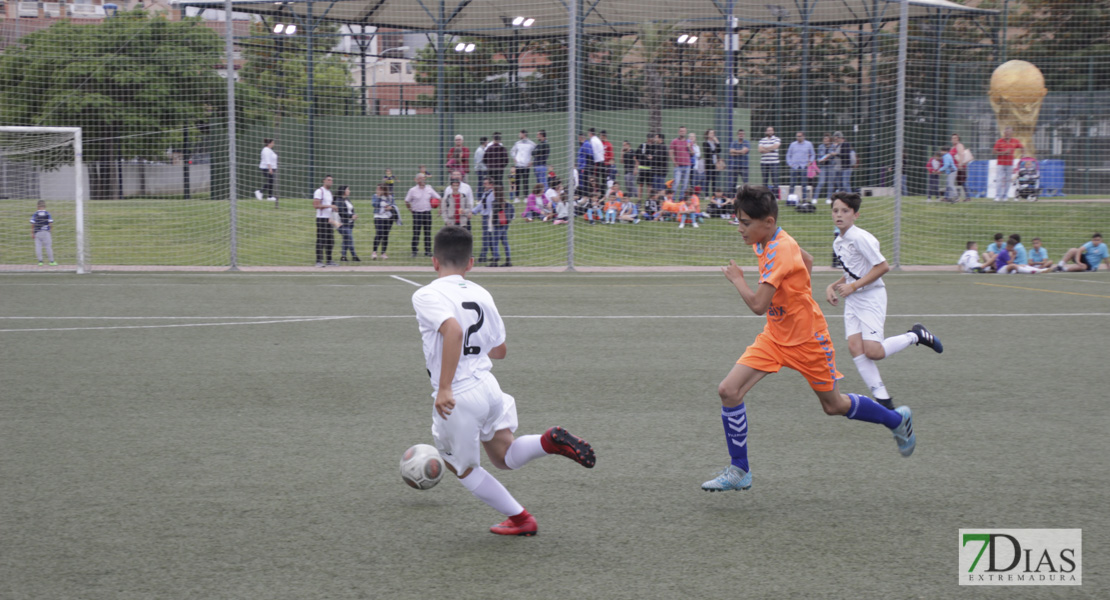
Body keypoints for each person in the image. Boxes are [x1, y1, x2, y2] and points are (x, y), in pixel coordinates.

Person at [701, 185, 918, 493]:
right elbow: (810, 260)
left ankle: (895, 420)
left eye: (745, 223)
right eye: (739, 221)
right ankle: (740, 469)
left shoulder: (779, 249)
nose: (740, 229)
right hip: (775, 336)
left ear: (768, 223)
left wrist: (738, 280)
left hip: (808, 340)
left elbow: (758, 305)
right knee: (729, 390)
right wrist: (797, 287)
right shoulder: (768, 237)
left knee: (834, 405)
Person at [410, 225, 595, 536]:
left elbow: (453, 331)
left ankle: (522, 519)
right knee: (504, 457)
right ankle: (547, 441)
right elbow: (500, 350)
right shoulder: (482, 293)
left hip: (460, 395)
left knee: (463, 468)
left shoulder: (426, 293)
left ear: (434, 261)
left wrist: (444, 388)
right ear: (470, 263)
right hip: (489, 387)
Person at [825, 191, 944, 411]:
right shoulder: (839, 242)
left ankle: (915, 335)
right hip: (854, 298)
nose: (839, 215)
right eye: (835, 210)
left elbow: (882, 267)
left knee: (874, 352)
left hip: (871, 296)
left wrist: (852, 287)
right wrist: (833, 285)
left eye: (845, 211)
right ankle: (884, 400)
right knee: (854, 347)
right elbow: (854, 272)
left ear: (856, 215)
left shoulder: (860, 238)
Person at [405, 174, 441, 258]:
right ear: (416, 180)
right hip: (417, 213)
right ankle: (414, 251)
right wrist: (411, 210)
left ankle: (427, 251)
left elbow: (439, 198)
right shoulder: (412, 190)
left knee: (427, 233)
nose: (422, 180)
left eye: (423, 178)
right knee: (416, 233)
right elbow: (406, 201)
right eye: (420, 178)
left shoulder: (429, 189)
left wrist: (440, 209)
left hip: (427, 213)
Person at [992, 127, 1024, 202]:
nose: (1008, 134)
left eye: (1009, 132)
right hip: (1000, 163)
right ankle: (997, 196)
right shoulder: (999, 141)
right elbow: (994, 151)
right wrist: (1003, 152)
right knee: (999, 179)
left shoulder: (1015, 141)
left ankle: (1005, 195)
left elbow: (1022, 147)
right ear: (1004, 133)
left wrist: (1023, 154)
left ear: (1011, 133)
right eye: (1006, 132)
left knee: (1008, 180)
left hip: (1010, 163)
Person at [312, 175, 336, 267]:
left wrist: (333, 209)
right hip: (321, 219)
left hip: (329, 219)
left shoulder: (329, 192)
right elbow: (316, 205)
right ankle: (318, 261)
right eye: (328, 180)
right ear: (324, 181)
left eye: (331, 180)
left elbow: (329, 206)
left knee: (330, 240)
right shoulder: (319, 191)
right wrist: (330, 206)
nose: (330, 182)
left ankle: (329, 260)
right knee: (321, 240)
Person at [786, 131, 816, 203]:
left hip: (803, 166)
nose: (798, 138)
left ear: (803, 136)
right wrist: (790, 164)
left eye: (799, 136)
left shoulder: (808, 144)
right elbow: (788, 155)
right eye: (797, 136)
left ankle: (804, 199)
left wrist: (810, 162)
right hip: (794, 167)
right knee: (792, 183)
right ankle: (790, 198)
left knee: (804, 184)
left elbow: (813, 154)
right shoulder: (792, 144)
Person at [489, 186, 514, 267]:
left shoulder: (495, 202)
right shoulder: (505, 203)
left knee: (495, 243)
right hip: (505, 224)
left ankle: (495, 260)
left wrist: (493, 222)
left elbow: (494, 214)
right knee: (505, 242)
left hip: (498, 224)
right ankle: (508, 260)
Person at [335, 185, 359, 262]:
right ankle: (354, 256)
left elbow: (351, 209)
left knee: (346, 239)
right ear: (343, 191)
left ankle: (343, 256)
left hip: (350, 223)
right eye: (348, 189)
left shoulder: (347, 199)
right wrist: (351, 215)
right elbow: (341, 212)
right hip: (342, 224)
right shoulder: (339, 200)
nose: (349, 191)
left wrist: (354, 215)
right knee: (349, 238)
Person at [474, 178, 496, 263]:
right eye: (484, 183)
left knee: (486, 237)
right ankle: (495, 255)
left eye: (486, 183)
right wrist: (473, 211)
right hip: (485, 216)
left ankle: (483, 257)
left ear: (491, 185)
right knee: (489, 237)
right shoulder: (485, 193)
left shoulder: (494, 194)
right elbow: (481, 205)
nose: (484, 185)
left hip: (489, 217)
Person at [371, 185, 396, 260]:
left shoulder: (390, 196)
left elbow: (394, 205)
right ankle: (374, 252)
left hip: (388, 217)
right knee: (379, 233)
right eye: (377, 188)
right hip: (378, 217)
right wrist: (379, 197)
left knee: (385, 235)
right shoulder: (375, 196)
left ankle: (383, 253)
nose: (377, 190)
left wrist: (391, 207)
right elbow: (374, 204)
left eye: (379, 189)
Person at [510, 130, 535, 202]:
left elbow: (536, 152)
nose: (519, 135)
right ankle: (517, 197)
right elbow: (512, 151)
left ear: (524, 134)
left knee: (525, 181)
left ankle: (526, 197)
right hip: (518, 165)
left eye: (520, 134)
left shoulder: (531, 143)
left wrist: (532, 161)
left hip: (526, 165)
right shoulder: (517, 143)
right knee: (517, 181)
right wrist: (514, 158)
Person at [29, 200, 56, 266]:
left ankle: (40, 261)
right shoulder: (47, 213)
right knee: (48, 247)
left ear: (37, 207)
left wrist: (32, 233)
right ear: (45, 206)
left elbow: (32, 223)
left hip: (37, 232)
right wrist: (50, 230)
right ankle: (51, 261)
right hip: (46, 232)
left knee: (38, 247)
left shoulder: (35, 214)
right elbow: (50, 222)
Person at [669, 125, 692, 200]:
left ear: (686, 132)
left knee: (685, 185)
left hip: (687, 166)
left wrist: (689, 147)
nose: (682, 132)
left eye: (684, 131)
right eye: (681, 131)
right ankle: (672, 199)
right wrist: (674, 162)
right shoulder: (674, 141)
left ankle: (681, 200)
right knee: (676, 183)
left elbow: (692, 154)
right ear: (679, 132)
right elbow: (671, 152)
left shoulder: (689, 141)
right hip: (678, 166)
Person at [757, 126, 781, 194]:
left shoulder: (777, 139)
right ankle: (764, 196)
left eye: (771, 130)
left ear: (773, 131)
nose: (769, 132)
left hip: (774, 162)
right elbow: (760, 150)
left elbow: (775, 147)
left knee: (775, 180)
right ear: (766, 132)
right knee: (764, 180)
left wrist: (765, 148)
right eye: (768, 130)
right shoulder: (762, 140)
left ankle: (776, 197)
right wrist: (770, 149)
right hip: (764, 163)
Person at [950, 134, 972, 202]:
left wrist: (960, 164)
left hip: (960, 167)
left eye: (955, 138)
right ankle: (956, 197)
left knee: (963, 182)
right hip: (955, 167)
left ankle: (968, 197)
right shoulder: (953, 147)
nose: (954, 139)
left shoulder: (959, 145)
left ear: (958, 139)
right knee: (958, 183)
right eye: (953, 138)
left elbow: (961, 154)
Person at [831, 131, 855, 195]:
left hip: (847, 168)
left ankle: (851, 197)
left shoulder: (845, 144)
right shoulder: (839, 145)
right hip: (842, 168)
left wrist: (836, 154)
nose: (836, 140)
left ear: (840, 138)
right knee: (841, 184)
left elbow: (845, 155)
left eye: (836, 139)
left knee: (845, 184)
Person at [728, 128, 750, 194]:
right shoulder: (733, 143)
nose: (741, 135)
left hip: (744, 166)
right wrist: (741, 151)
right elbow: (731, 152)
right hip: (735, 166)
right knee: (733, 183)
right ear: (737, 135)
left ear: (744, 135)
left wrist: (735, 151)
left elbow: (745, 151)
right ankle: (732, 198)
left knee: (746, 183)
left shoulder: (747, 143)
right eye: (740, 134)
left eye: (742, 134)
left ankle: (747, 197)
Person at [255, 138, 278, 202]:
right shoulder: (266, 150)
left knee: (271, 181)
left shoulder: (269, 150)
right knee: (270, 181)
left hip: (271, 168)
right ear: (269, 143)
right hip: (266, 168)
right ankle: (260, 191)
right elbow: (267, 160)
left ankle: (270, 197)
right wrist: (270, 168)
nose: (273, 144)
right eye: (273, 143)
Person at [703, 129, 723, 196]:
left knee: (714, 180)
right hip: (709, 164)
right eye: (711, 133)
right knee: (707, 180)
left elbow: (719, 150)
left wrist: (717, 142)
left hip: (714, 164)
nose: (712, 134)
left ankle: (713, 195)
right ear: (708, 134)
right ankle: (706, 195)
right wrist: (715, 150)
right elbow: (709, 152)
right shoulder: (705, 143)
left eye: (713, 133)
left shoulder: (714, 143)